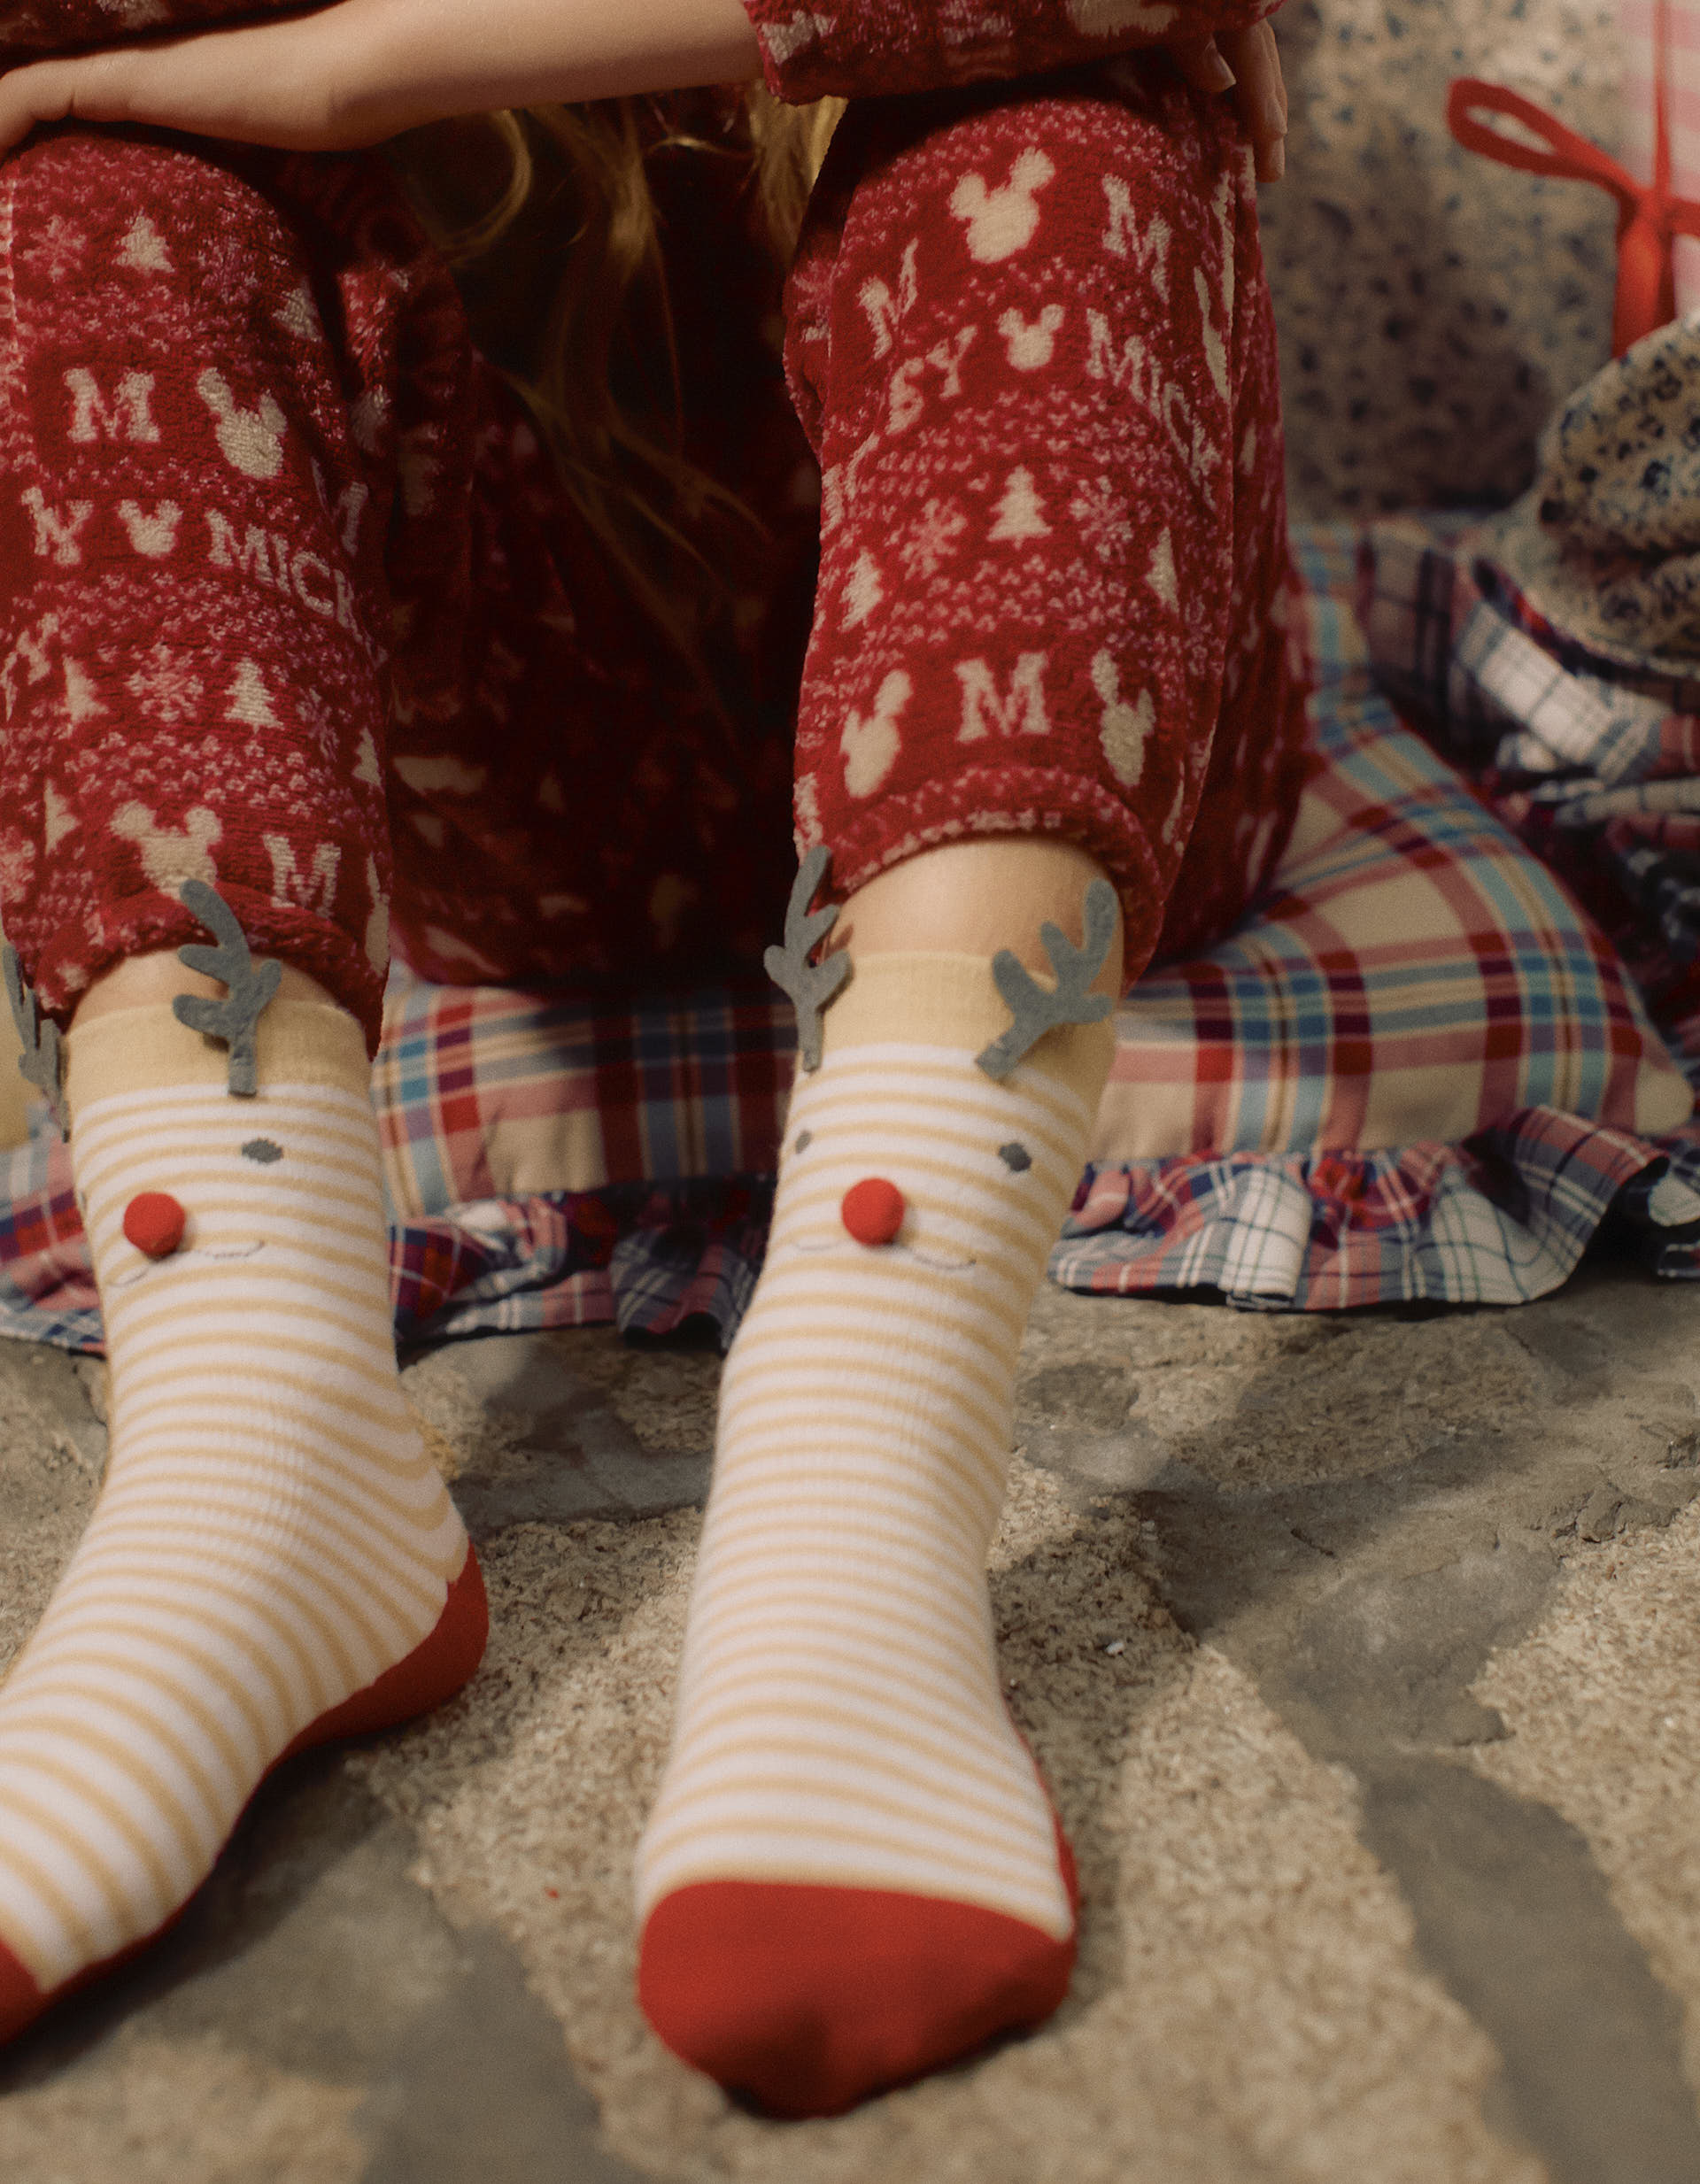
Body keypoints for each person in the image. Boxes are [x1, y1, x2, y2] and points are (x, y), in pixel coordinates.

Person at [0, 0, 1302, 2117]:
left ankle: (862, 1448)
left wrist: (356, 58)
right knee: (85, 202)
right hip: (544, 760)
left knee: (1059, 116)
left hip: (1115, 700)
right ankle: (250, 1451)